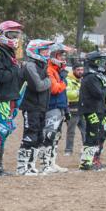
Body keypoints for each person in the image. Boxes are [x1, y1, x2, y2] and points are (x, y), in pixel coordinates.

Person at [0, 21, 24, 174]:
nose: (15, 37)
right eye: (12, 34)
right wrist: (14, 70)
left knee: (6, 130)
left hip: (11, 97)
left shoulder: (9, 52)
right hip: (1, 97)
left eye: (17, 34)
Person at [16, 39, 53, 176]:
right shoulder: (30, 66)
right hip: (31, 106)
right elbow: (39, 86)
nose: (47, 53)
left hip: (42, 106)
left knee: (38, 137)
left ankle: (31, 165)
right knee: (29, 136)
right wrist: (49, 81)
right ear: (35, 51)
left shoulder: (42, 65)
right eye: (43, 50)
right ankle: (21, 166)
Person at [77, 52, 106, 170]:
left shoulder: (99, 75)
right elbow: (99, 93)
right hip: (91, 109)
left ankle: (95, 159)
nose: (103, 63)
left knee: (100, 134)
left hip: (101, 109)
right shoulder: (90, 77)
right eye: (100, 60)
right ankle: (86, 162)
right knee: (92, 134)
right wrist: (105, 87)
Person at [40, 43, 69, 173]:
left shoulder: (58, 70)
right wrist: (64, 82)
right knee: (49, 135)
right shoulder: (49, 70)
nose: (63, 58)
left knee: (56, 136)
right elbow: (55, 89)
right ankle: (44, 164)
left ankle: (52, 162)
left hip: (60, 106)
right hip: (52, 106)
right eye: (60, 55)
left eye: (63, 55)